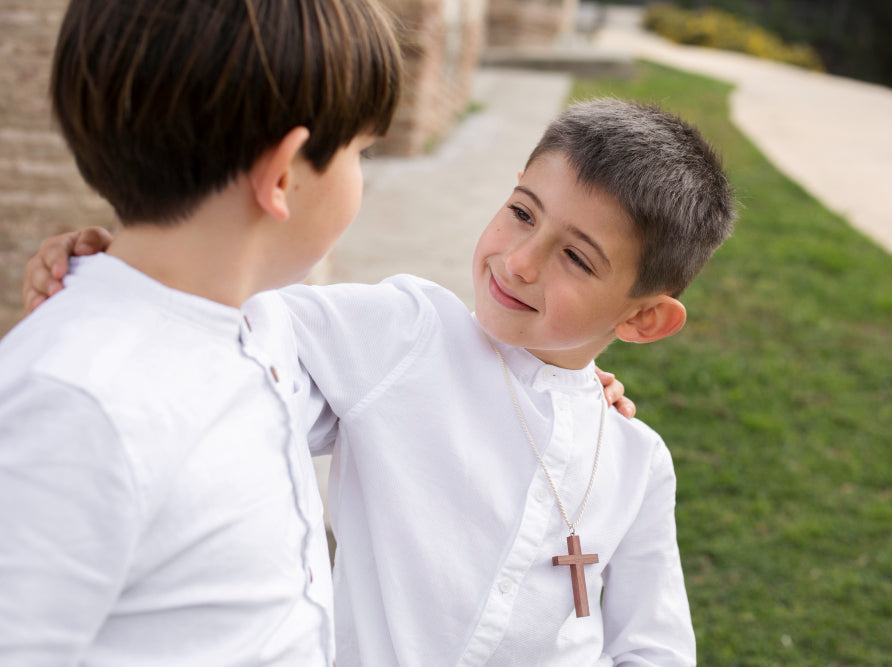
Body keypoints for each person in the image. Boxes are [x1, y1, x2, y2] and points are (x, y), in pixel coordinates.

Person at [24, 99, 735, 664]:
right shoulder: (405, 335)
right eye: (521, 212)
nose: (519, 261)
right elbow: (232, 328)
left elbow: (654, 644)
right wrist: (113, 267)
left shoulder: (638, 462)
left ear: (643, 320)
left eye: (576, 258)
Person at [0, 0, 400, 664]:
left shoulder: (261, 322)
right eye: (361, 150)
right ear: (283, 175)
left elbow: (408, 385)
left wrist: (569, 395)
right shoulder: (76, 404)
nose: (361, 172)